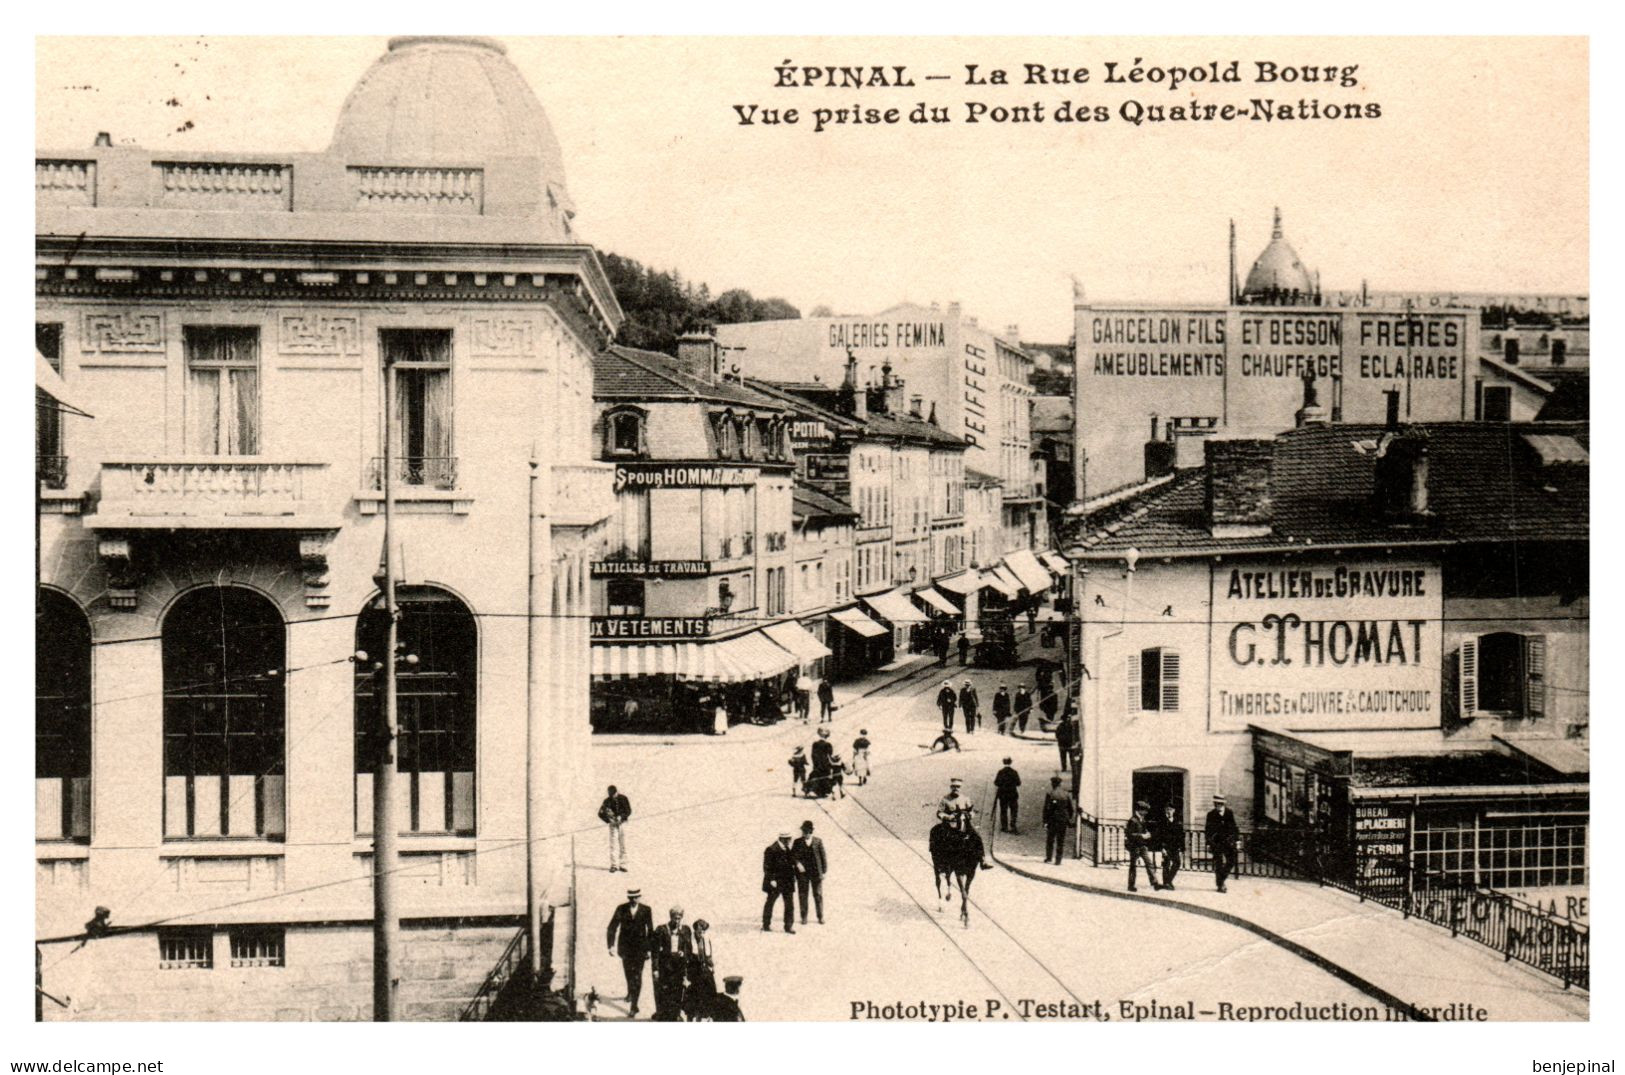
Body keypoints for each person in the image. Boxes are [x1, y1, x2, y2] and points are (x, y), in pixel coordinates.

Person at [606, 887, 654, 1017]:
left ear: (640, 897)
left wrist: (649, 949)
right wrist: (610, 945)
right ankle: (630, 992)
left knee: (637, 976)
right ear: (628, 898)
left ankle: (634, 1006)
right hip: (625, 949)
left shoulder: (646, 910)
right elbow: (612, 927)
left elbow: (650, 930)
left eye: (636, 897)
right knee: (628, 974)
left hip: (640, 949)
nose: (633, 900)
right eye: (631, 898)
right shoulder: (621, 909)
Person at [649, 905, 692, 1021]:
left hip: (678, 967)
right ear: (670, 917)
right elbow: (655, 952)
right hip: (664, 966)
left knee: (678, 991)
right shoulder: (661, 930)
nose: (677, 921)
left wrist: (684, 954)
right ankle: (662, 1014)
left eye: (679, 918)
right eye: (674, 918)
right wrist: (655, 969)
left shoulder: (686, 930)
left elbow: (689, 949)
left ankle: (676, 1014)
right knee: (663, 991)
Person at [793, 819, 829, 926]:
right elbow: (792, 856)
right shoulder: (797, 842)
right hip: (802, 874)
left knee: (818, 895)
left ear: (811, 831)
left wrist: (824, 872)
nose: (805, 834)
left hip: (816, 874)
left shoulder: (818, 841)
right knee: (803, 895)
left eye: (807, 832)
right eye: (803, 832)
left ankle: (820, 916)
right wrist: (798, 864)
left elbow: (823, 857)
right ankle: (804, 917)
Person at [762, 831, 798, 933]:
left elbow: (791, 862)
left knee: (789, 905)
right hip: (776, 882)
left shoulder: (787, 849)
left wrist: (794, 874)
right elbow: (767, 867)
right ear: (783, 839)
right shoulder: (771, 849)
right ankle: (766, 924)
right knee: (770, 903)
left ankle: (788, 926)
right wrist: (772, 879)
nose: (790, 841)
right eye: (788, 839)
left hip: (787, 881)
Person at [683, 919, 718, 1021]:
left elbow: (709, 956)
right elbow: (686, 959)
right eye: (699, 932)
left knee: (709, 992)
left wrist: (712, 966)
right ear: (695, 931)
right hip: (693, 972)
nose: (701, 934)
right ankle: (691, 1016)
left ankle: (704, 1016)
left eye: (703, 932)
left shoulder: (706, 941)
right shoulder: (689, 942)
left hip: (704, 971)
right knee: (693, 997)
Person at [1205, 794, 1240, 893]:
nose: (1218, 806)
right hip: (1216, 843)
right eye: (1216, 804)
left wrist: (1237, 840)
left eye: (1220, 804)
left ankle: (1220, 880)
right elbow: (1207, 830)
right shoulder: (1211, 814)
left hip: (1228, 842)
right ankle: (1220, 885)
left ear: (1223, 804)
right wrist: (1208, 843)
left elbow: (1234, 827)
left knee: (1231, 861)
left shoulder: (1229, 813)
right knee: (1218, 864)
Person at [1126, 801, 1161, 893]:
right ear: (1140, 810)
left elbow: (1144, 830)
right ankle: (1131, 885)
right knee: (1133, 865)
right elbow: (1130, 834)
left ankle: (1155, 883)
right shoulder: (1132, 820)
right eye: (1145, 810)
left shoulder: (1142, 819)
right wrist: (1141, 836)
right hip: (1134, 846)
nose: (1146, 812)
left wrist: (1147, 834)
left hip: (1142, 845)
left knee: (1149, 863)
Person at [598, 785, 632, 873]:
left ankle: (623, 865)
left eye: (613, 794)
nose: (612, 797)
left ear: (616, 792)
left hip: (623, 824)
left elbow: (628, 810)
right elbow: (600, 813)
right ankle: (614, 865)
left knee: (623, 844)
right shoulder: (606, 801)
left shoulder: (624, 798)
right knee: (613, 844)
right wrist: (609, 820)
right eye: (611, 795)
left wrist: (621, 816)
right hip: (613, 825)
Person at [1042, 777, 1071, 865]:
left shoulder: (1050, 794)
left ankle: (1049, 857)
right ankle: (1058, 860)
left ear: (1053, 784)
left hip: (1052, 820)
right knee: (1060, 840)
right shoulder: (1066, 794)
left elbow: (1046, 809)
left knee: (1050, 839)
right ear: (1060, 784)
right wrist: (1068, 818)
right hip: (1062, 820)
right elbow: (1070, 809)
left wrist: (1045, 821)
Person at [1156, 803, 1185, 890]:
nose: (1169, 811)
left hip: (1175, 847)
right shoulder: (1162, 821)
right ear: (1165, 810)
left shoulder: (1177, 821)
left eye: (1171, 810)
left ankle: (1168, 881)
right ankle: (1167, 883)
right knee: (1166, 864)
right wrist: (1162, 848)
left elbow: (1181, 835)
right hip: (1166, 846)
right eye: (1167, 809)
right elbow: (1159, 836)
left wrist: (1182, 847)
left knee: (1177, 863)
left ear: (1174, 811)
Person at [993, 758, 1022, 834]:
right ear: (1011, 762)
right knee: (1014, 810)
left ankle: (1004, 827)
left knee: (1003, 810)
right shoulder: (1014, 772)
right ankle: (1013, 825)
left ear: (1003, 762)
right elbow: (1018, 783)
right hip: (1012, 794)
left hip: (1003, 794)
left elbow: (996, 782)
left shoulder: (1000, 772)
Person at [808, 726, 834, 798]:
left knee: (816, 774)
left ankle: (815, 790)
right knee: (825, 776)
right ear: (827, 736)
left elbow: (812, 754)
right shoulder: (828, 744)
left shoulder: (815, 744)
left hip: (817, 762)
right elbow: (830, 754)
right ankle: (823, 791)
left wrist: (815, 762)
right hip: (825, 762)